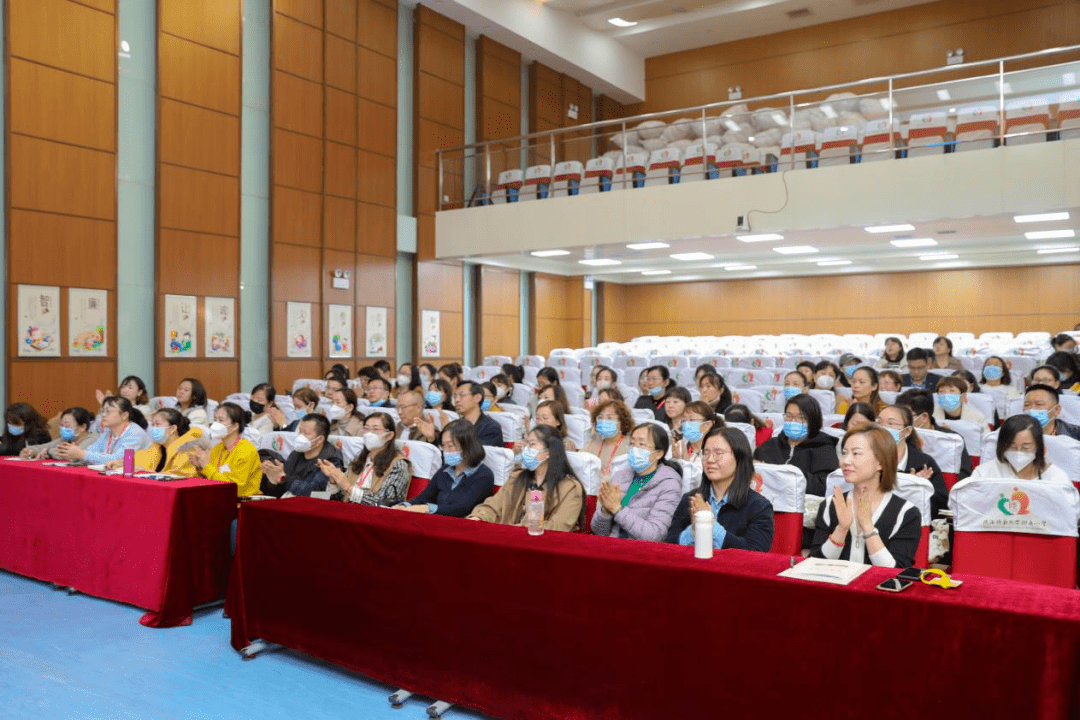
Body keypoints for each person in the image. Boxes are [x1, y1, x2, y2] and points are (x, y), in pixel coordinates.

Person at [810, 424, 922, 567]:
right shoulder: (830, 505)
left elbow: (897, 573)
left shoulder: (906, 514)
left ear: (880, 462)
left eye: (856, 454)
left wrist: (868, 528)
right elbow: (816, 564)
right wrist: (841, 529)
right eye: (844, 453)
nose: (845, 461)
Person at [665, 427, 774, 552]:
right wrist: (693, 532)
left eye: (718, 453)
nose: (710, 460)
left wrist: (711, 526)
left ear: (739, 457)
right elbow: (669, 548)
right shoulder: (691, 499)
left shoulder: (759, 506)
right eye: (705, 453)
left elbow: (756, 553)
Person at [467, 424, 586, 531]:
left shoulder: (570, 487)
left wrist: (522, 530)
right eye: (526, 444)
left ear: (548, 452)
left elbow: (559, 527)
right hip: (506, 541)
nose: (526, 450)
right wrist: (478, 516)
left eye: (532, 444)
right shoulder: (517, 477)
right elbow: (494, 505)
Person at [591, 423, 683, 541]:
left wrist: (617, 509)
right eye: (632, 444)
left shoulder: (670, 484)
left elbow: (655, 535)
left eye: (642, 445)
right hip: (612, 545)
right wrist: (605, 511)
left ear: (658, 453)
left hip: (641, 552)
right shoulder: (620, 476)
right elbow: (598, 531)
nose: (634, 449)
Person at [397, 419, 494, 516]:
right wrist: (405, 506)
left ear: (467, 445)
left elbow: (462, 508)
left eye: (450, 445)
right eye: (443, 446)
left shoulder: (484, 475)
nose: (446, 451)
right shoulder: (445, 470)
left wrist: (428, 508)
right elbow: (424, 497)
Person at [753, 394, 838, 496]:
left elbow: (825, 487)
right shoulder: (770, 445)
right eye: (789, 416)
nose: (793, 421)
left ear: (813, 420)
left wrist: (785, 475)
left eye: (800, 417)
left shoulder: (825, 449)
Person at [322, 412, 412, 506]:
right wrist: (334, 480)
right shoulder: (359, 460)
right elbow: (340, 497)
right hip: (349, 512)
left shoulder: (398, 464)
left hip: (374, 517)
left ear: (389, 435)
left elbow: (385, 503)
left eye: (375, 429)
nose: (369, 434)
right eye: (366, 428)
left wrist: (349, 488)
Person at [877, 404, 947, 521]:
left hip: (912, 524)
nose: (883, 427)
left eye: (890, 423)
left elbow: (941, 505)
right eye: (879, 422)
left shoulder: (924, 463)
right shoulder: (865, 459)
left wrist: (918, 490)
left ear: (907, 431)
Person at [969, 414, 1071, 484]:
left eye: (1026, 447)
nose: (1018, 452)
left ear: (1040, 448)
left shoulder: (1057, 478)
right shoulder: (984, 473)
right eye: (1011, 447)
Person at [896, 389, 973, 481]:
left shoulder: (951, 440)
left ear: (924, 417)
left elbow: (965, 474)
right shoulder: (900, 437)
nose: (901, 421)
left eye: (906, 417)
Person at [260, 413, 344, 497]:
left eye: (306, 434)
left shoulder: (331, 459)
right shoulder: (296, 453)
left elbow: (312, 491)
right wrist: (272, 479)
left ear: (320, 440)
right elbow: (279, 489)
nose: (300, 437)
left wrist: (284, 479)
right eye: (300, 432)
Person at [192, 402, 263, 496]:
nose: (215, 424)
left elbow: (234, 489)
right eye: (215, 420)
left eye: (221, 420)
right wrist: (200, 467)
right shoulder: (217, 449)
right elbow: (210, 481)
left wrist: (206, 467)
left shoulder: (246, 450)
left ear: (234, 426)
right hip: (219, 498)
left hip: (242, 503)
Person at [105, 408, 202, 476]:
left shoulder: (188, 448)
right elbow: (140, 463)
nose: (154, 428)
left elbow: (179, 475)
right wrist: (120, 464)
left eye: (158, 424)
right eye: (153, 424)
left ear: (172, 428)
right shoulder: (157, 446)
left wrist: (149, 473)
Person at [55, 396, 150, 464]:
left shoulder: (134, 433)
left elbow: (119, 459)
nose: (103, 415)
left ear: (124, 415)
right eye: (103, 411)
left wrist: (81, 454)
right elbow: (92, 450)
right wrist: (73, 452)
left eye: (108, 411)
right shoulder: (108, 431)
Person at [584, 398, 633, 482]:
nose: (604, 421)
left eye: (609, 418)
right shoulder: (595, 442)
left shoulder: (630, 446)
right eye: (600, 417)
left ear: (622, 422)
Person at [22, 407, 98, 460]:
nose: (64, 428)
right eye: (62, 425)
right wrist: (30, 451)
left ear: (82, 427)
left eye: (67, 426)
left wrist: (49, 452)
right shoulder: (66, 439)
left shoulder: (93, 438)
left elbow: (73, 455)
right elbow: (43, 447)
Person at [450, 381, 505, 448]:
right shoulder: (454, 426)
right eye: (455, 396)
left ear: (477, 398)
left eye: (462, 395)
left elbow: (478, 453)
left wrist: (452, 439)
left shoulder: (491, 427)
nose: (457, 400)